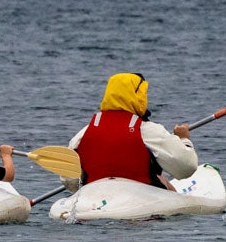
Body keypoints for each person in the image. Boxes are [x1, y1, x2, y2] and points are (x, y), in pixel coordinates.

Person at [66, 72, 198, 191]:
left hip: (95, 200)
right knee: (162, 180)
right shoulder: (149, 131)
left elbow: (70, 180)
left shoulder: (83, 134)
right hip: (141, 204)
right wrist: (183, 140)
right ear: (139, 96)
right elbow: (187, 168)